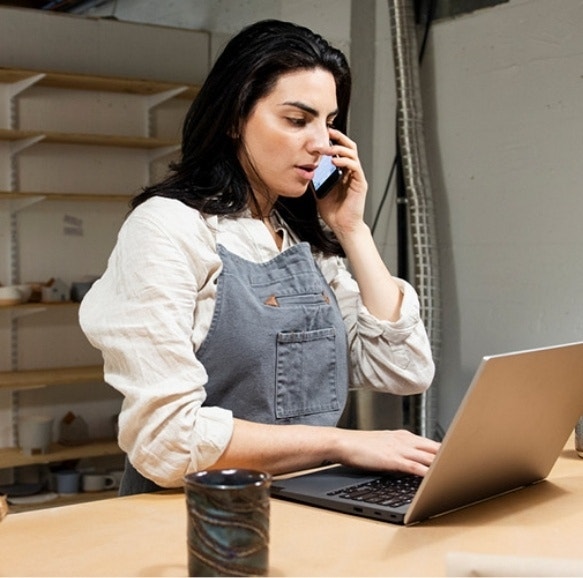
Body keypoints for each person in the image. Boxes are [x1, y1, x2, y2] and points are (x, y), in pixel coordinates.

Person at [79, 19, 440, 496]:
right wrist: (340, 444)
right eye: (296, 120)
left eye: (329, 123)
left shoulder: (301, 239)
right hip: (198, 517)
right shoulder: (169, 227)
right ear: (233, 119)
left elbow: (404, 370)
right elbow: (166, 442)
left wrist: (352, 229)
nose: (321, 144)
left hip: (303, 500)